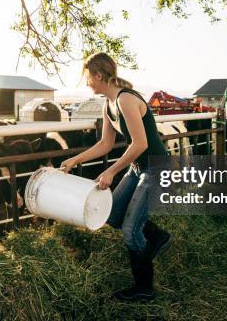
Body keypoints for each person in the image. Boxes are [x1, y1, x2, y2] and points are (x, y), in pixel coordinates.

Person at [60, 52, 171, 302]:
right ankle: (157, 237)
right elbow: (105, 144)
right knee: (112, 215)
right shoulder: (108, 104)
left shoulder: (126, 100)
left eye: (88, 77)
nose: (87, 82)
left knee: (131, 231)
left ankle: (144, 288)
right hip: (139, 169)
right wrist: (74, 160)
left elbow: (140, 143)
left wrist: (111, 171)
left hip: (157, 168)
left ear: (99, 75)